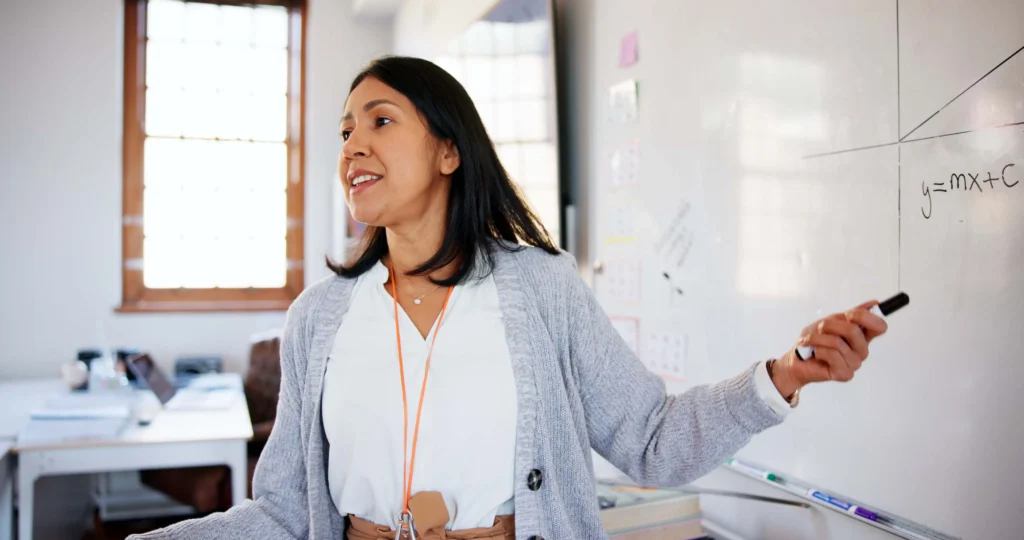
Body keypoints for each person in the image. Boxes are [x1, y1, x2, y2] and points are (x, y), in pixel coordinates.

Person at [132, 56, 887, 540]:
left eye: (381, 122)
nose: (352, 146)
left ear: (448, 149)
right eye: (343, 132)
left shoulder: (542, 291)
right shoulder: (318, 318)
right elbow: (284, 511)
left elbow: (652, 439)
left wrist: (782, 374)